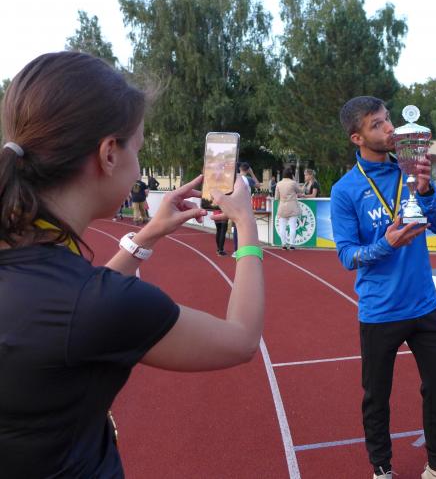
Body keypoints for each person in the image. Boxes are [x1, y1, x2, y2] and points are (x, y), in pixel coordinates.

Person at [0, 51, 265, 477]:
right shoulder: (99, 302)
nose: (138, 166)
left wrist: (147, 236)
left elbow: (72, 307)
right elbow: (241, 340)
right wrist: (247, 225)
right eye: (137, 149)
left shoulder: (28, 263)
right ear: (109, 153)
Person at [331, 96, 436, 479]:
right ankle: (381, 469)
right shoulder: (345, 190)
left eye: (388, 119)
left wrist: (425, 190)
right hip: (380, 311)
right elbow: (346, 255)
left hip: (424, 305)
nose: (390, 128)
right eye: (377, 124)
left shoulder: (411, 170)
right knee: (376, 398)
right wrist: (385, 245)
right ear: (357, 138)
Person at [274, 167, 303, 250]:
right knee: (292, 227)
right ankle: (292, 244)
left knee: (282, 227)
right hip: (292, 207)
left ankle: (283, 244)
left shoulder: (279, 184)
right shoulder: (293, 183)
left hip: (282, 207)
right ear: (291, 175)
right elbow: (300, 191)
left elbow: (276, 197)